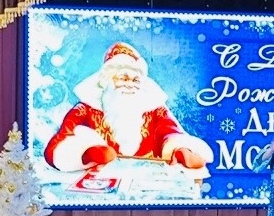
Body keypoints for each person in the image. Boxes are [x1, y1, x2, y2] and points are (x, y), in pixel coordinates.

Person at [44, 42, 213, 173]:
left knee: (176, 147)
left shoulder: (153, 108)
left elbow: (170, 130)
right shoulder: (86, 108)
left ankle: (182, 154)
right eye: (123, 79)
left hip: (147, 177)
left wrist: (176, 147)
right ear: (107, 80)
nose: (130, 85)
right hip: (103, 177)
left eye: (135, 80)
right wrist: (87, 153)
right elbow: (60, 142)